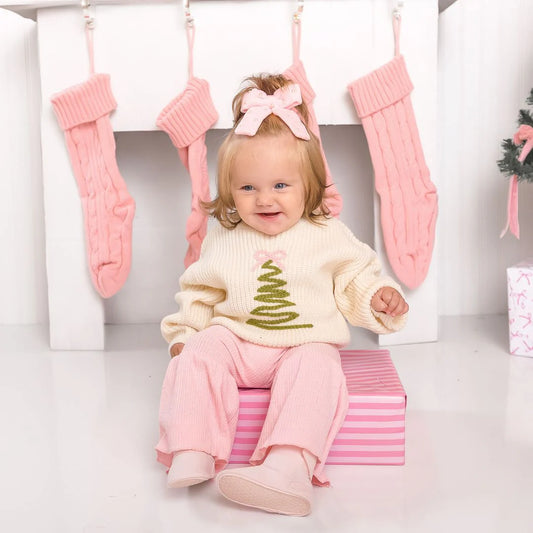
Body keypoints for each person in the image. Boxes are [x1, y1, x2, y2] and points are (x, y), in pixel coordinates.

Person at [156, 73, 409, 517]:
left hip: (302, 342)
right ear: (230, 191)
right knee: (198, 352)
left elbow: (355, 276)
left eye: (280, 186)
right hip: (238, 339)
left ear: (309, 185)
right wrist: (186, 333)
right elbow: (200, 289)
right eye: (248, 188)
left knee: (319, 367)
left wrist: (378, 295)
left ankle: (287, 468)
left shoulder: (327, 234)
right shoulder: (224, 236)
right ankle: (193, 446)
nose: (264, 200)